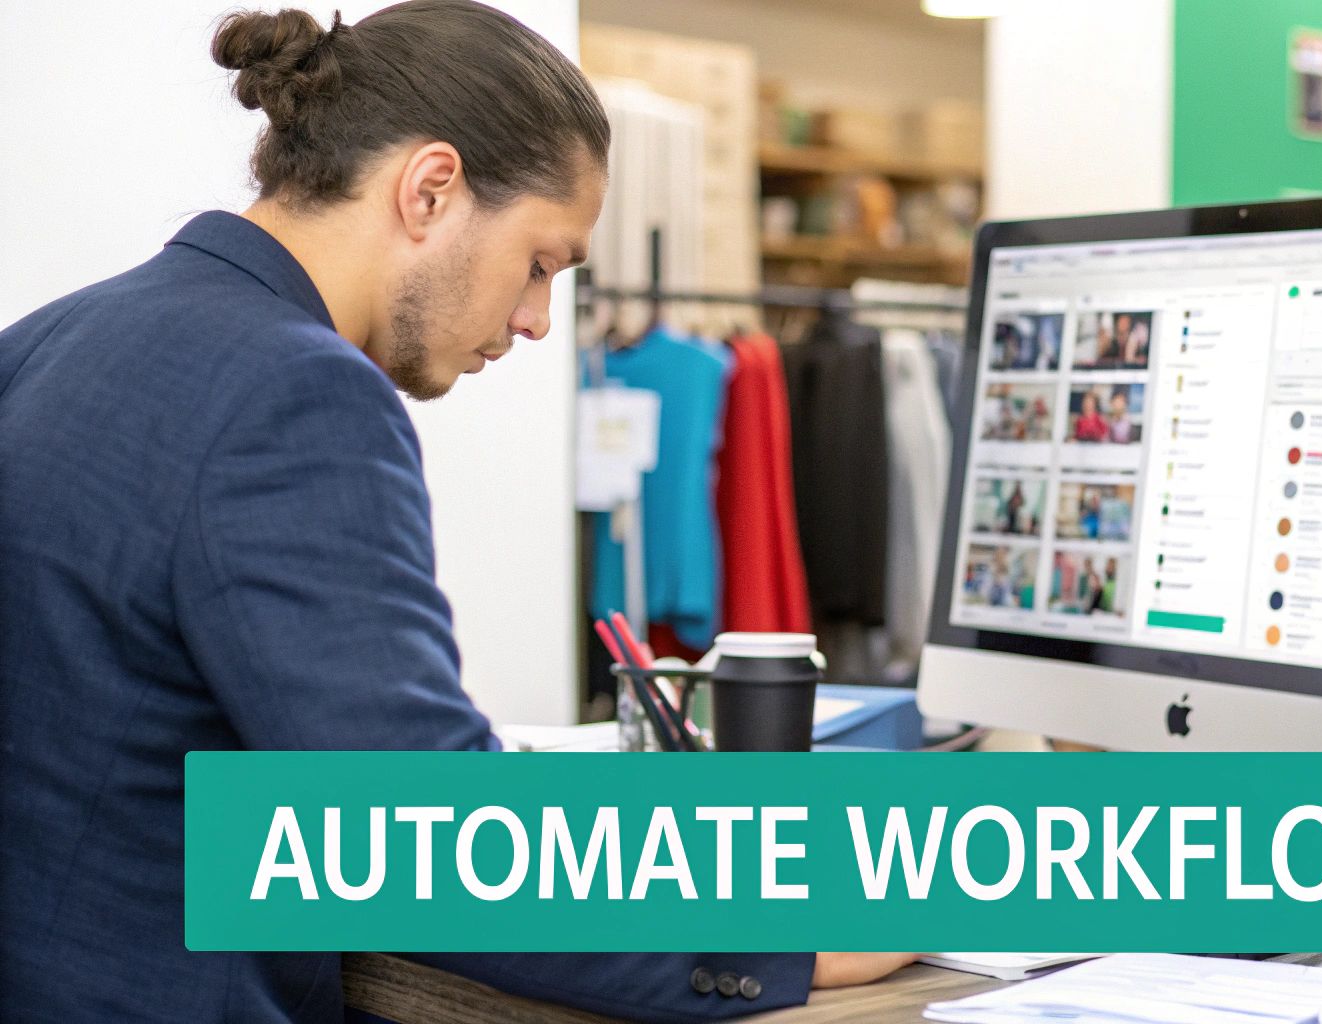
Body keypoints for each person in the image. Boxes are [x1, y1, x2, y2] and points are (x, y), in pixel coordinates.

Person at [0, 4, 911, 1021]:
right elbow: (409, 826)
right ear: (430, 188)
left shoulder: (47, 340)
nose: (535, 322)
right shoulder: (294, 391)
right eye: (537, 264)